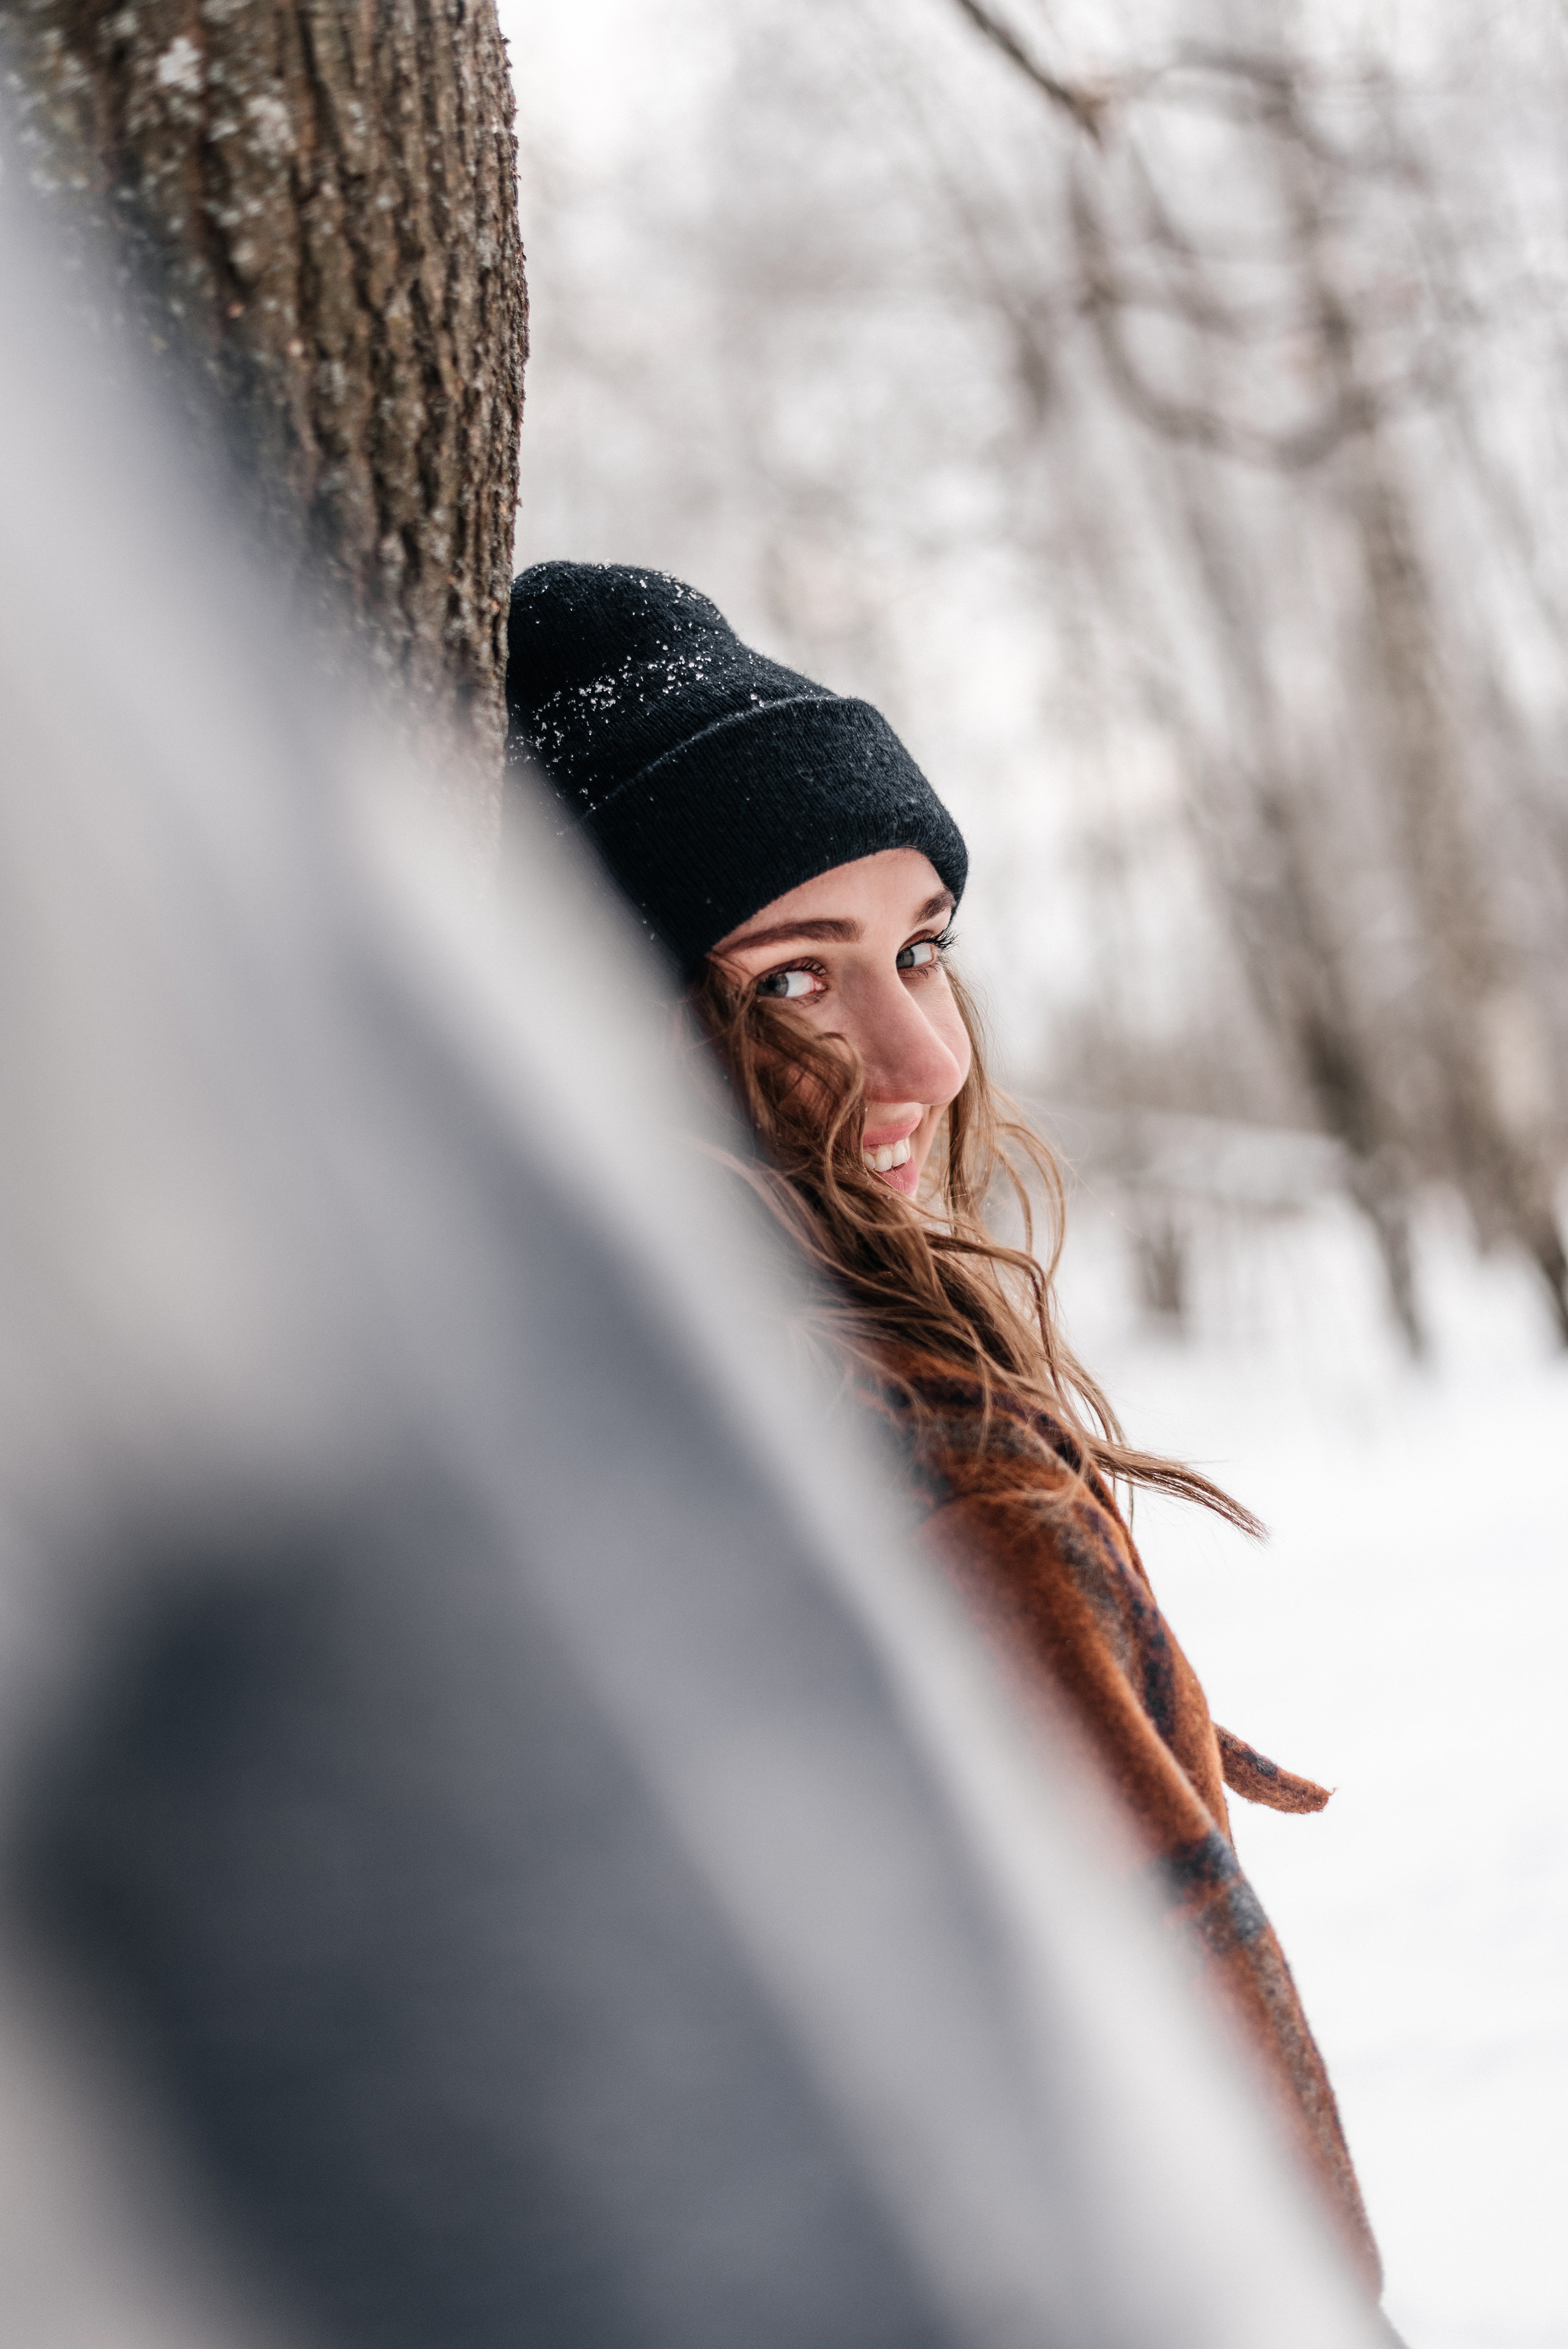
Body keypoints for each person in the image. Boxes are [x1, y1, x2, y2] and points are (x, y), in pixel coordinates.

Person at [504, 560, 1382, 2296]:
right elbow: (1201, 2153)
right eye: (792, 982)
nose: (923, 1057)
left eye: (920, 951)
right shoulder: (912, 1456)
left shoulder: (546, 1424)